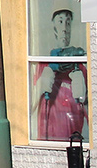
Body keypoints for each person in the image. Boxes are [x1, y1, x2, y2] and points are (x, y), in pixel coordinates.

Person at [32, 8, 88, 141]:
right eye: (60, 22)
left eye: (68, 23)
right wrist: (43, 82)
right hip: (49, 134)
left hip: (73, 135)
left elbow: (88, 109)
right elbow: (31, 102)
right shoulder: (43, 65)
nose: (64, 28)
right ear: (54, 28)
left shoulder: (79, 67)